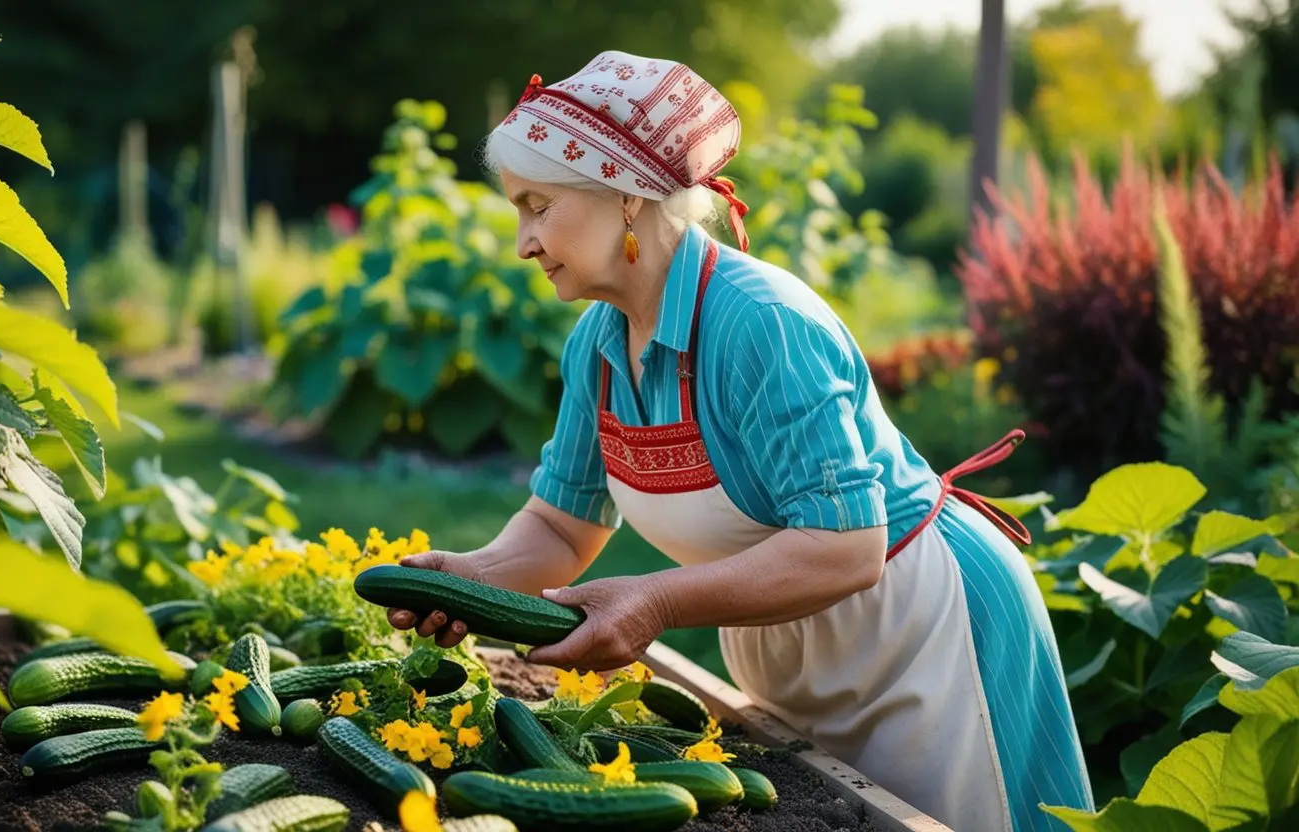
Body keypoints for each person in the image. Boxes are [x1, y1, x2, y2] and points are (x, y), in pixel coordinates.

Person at [382, 50, 1094, 832]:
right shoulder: (597, 344)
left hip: (920, 634)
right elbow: (562, 526)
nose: (522, 242)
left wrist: (652, 601)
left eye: (539, 206)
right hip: (793, 646)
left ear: (625, 197)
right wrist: (471, 577)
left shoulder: (760, 323)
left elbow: (847, 548)